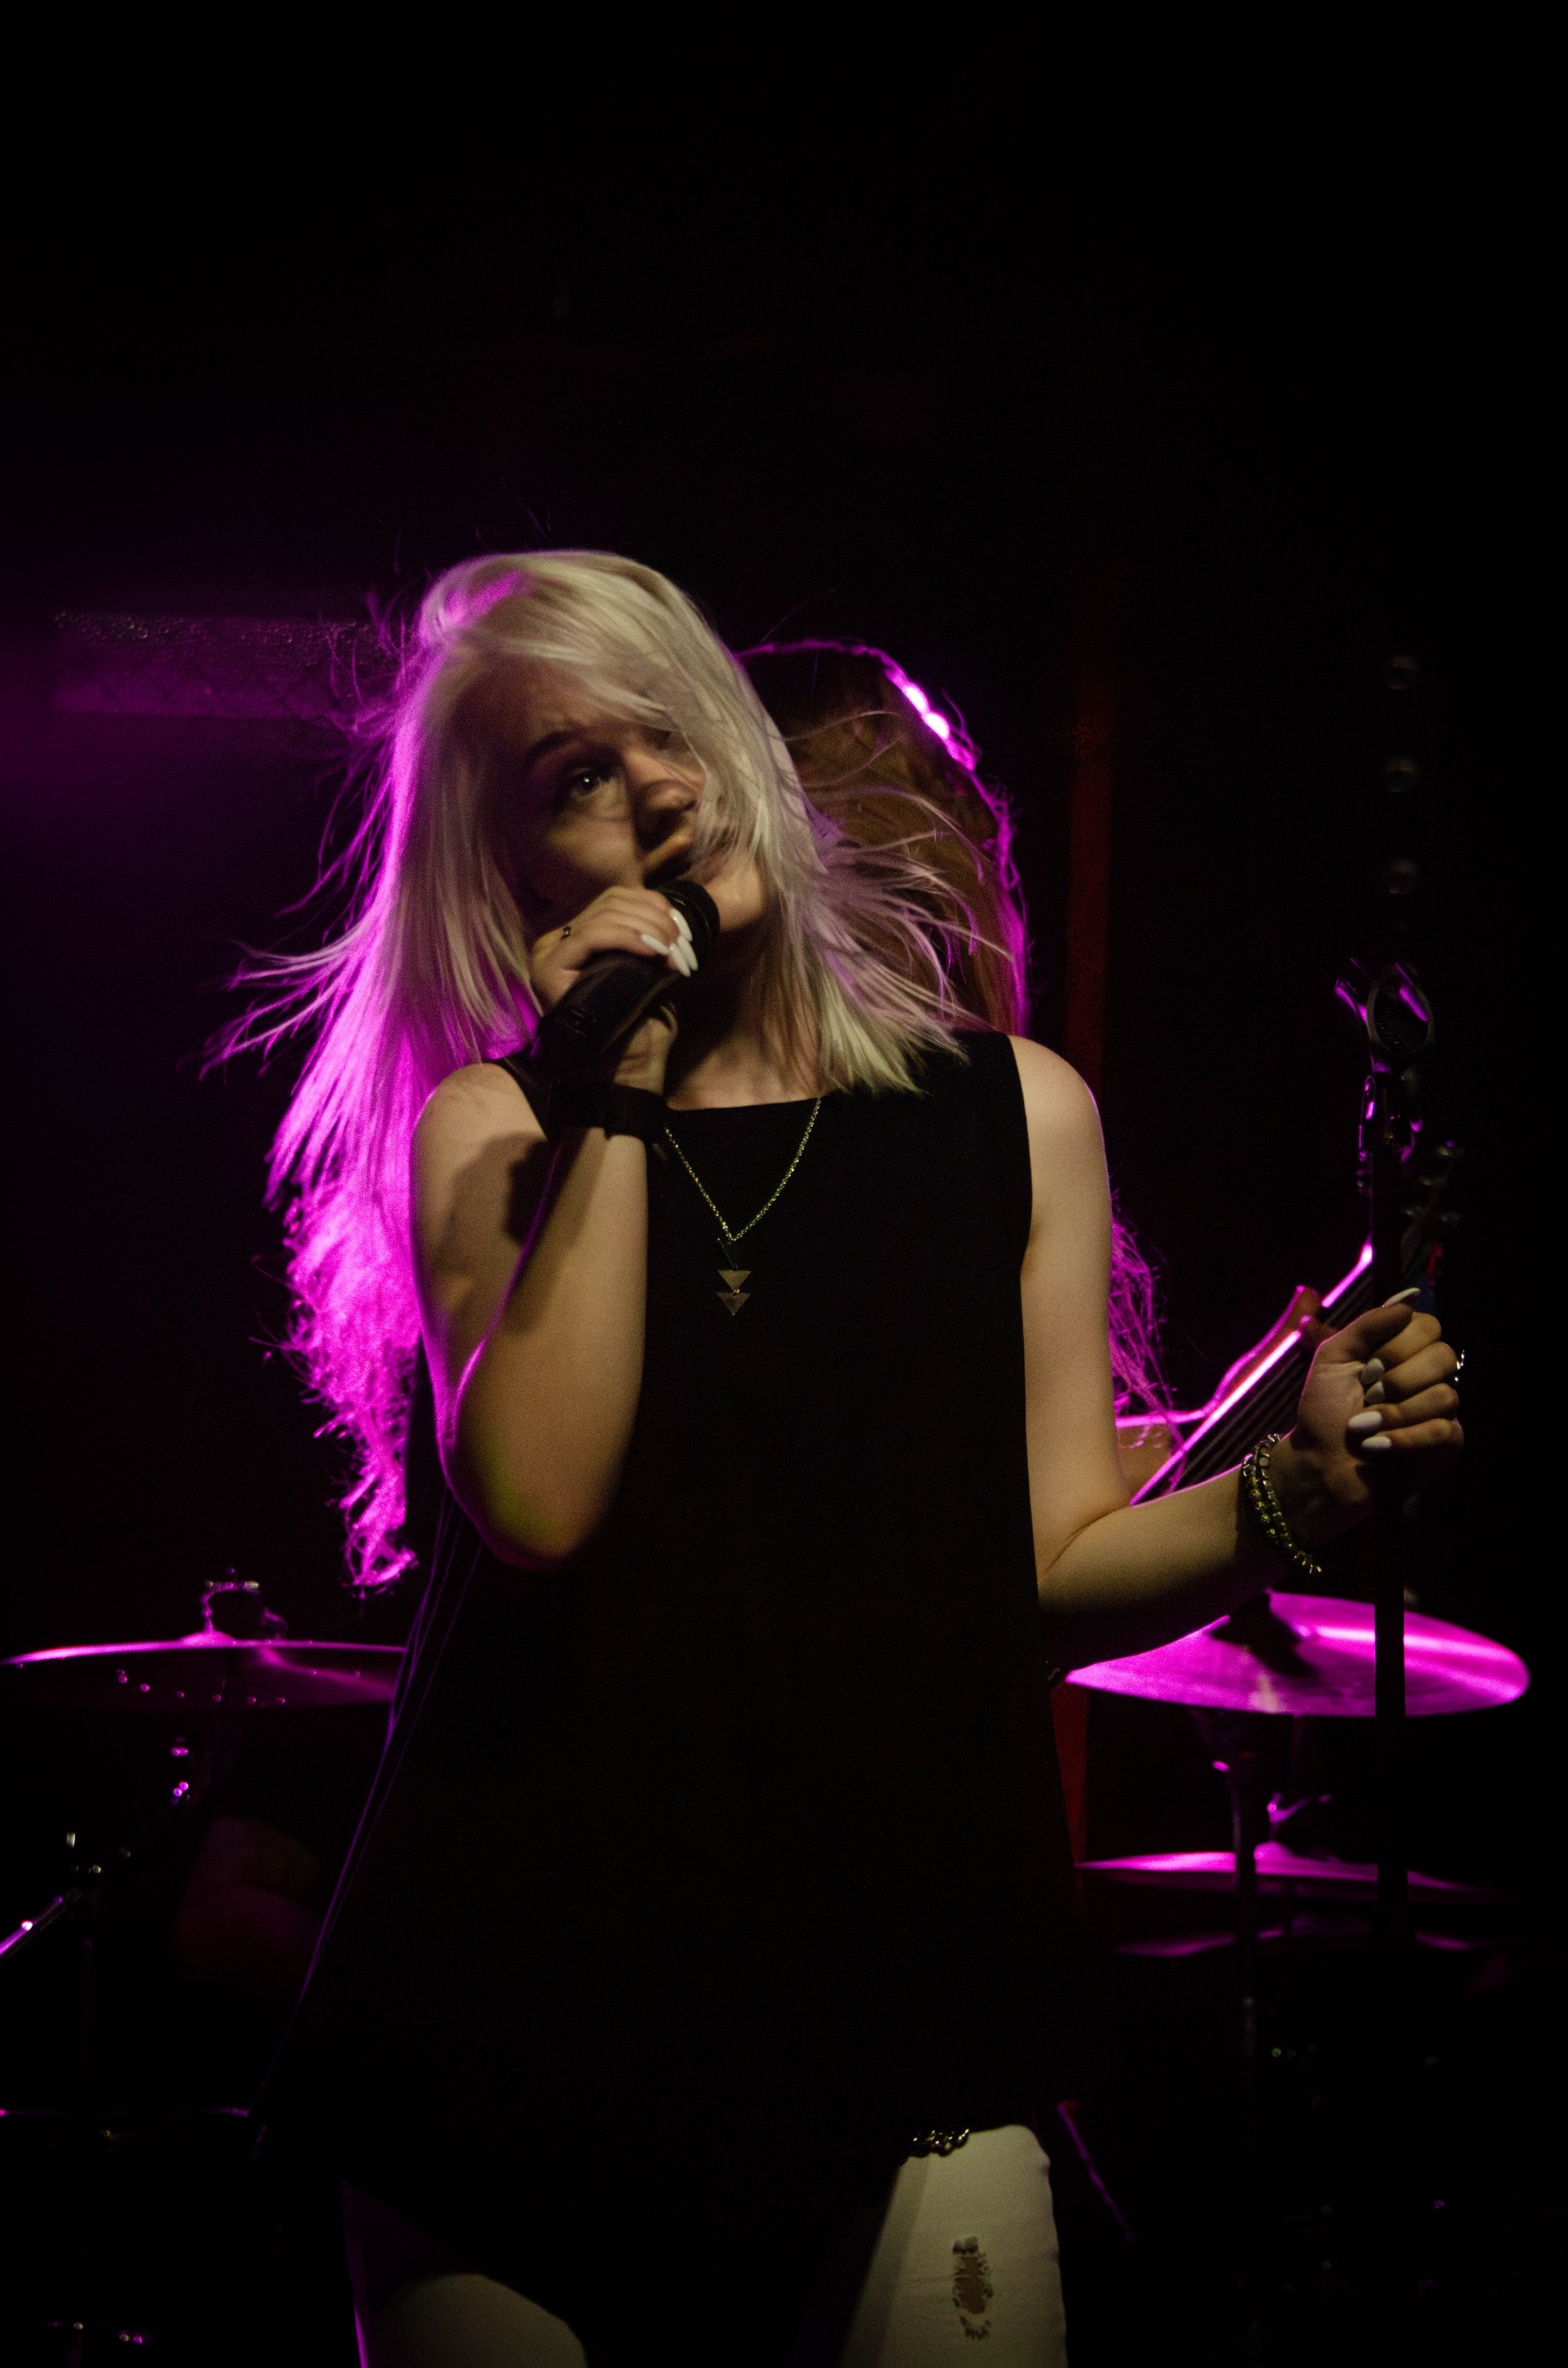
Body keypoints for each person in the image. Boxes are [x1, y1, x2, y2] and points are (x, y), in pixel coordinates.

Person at [233, 553, 1461, 2365]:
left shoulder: (1013, 1115)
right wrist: (616, 1081)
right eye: (578, 778)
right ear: (514, 881)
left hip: (902, 2005)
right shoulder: (498, 1131)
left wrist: (1296, 1495)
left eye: (672, 728)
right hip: (519, 2020)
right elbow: (542, 1502)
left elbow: (1045, 1570)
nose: (657, 789)